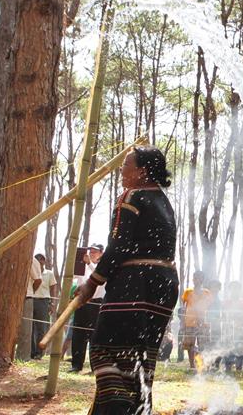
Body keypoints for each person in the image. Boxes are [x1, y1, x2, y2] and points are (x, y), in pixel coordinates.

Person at [74, 145, 179, 414]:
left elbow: (119, 246)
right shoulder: (164, 202)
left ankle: (116, 408)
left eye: (126, 165)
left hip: (136, 283)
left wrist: (92, 282)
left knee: (104, 349)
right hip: (164, 286)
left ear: (142, 172)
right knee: (141, 358)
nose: (122, 170)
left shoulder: (132, 196)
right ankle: (137, 408)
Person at [70, 244, 105, 372]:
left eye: (95, 252)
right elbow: (73, 277)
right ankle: (76, 365)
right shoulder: (82, 266)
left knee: (93, 335)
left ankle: (94, 366)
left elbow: (100, 279)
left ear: (101, 253)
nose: (92, 253)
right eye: (91, 251)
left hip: (96, 303)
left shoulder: (102, 266)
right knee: (78, 334)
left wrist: (89, 263)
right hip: (81, 302)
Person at [181, 270, 212, 370]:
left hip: (202, 323)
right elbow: (184, 308)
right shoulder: (188, 292)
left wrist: (204, 320)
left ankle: (200, 364)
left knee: (202, 345)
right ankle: (192, 365)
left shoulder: (206, 293)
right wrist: (182, 322)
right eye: (194, 278)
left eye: (198, 278)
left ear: (202, 279)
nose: (196, 280)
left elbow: (208, 307)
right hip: (190, 321)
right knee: (190, 344)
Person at [15, 254, 42, 361]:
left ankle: (23, 358)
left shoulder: (32, 259)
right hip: (6, 297)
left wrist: (30, 292)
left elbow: (38, 280)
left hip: (26, 297)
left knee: (25, 330)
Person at [31, 254, 57, 359]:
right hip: (31, 299)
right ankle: (31, 352)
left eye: (41, 260)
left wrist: (52, 303)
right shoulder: (32, 271)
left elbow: (53, 288)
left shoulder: (49, 273)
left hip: (44, 301)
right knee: (31, 327)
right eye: (37, 260)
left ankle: (39, 352)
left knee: (42, 328)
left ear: (44, 262)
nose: (39, 262)